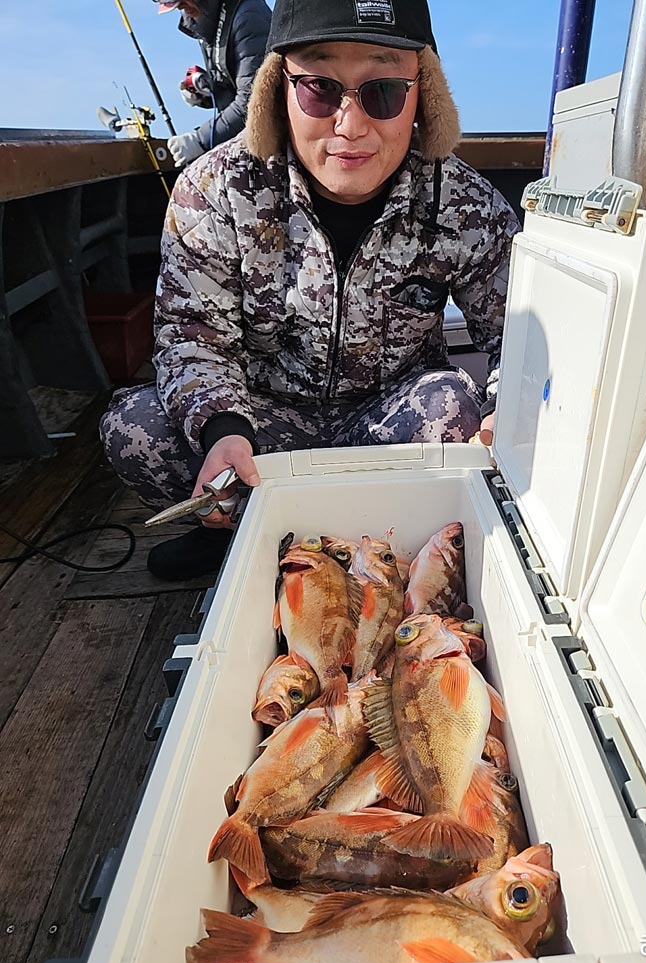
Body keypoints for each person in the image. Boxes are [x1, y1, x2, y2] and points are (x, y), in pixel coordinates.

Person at [101, 0, 520, 581]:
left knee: (453, 403)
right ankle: (234, 529)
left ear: (423, 96)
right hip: (261, 427)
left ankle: (359, 547)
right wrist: (225, 433)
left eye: (383, 93)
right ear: (278, 91)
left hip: (388, 431)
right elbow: (193, 338)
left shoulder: (464, 202)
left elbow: (516, 339)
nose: (350, 126)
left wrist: (502, 415)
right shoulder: (214, 190)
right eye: (320, 89)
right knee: (135, 426)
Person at [156, 0, 271, 167]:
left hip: (271, 148)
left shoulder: (248, 17)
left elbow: (253, 101)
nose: (180, 7)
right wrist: (207, 94)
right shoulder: (209, 20)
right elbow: (235, 86)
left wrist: (199, 140)